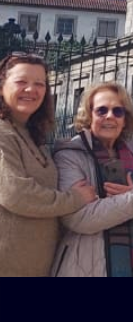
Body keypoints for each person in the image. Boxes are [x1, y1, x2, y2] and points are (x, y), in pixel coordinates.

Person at [52, 81, 133, 276]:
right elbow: (80, 219)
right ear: (89, 115)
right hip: (84, 268)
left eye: (117, 111)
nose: (110, 117)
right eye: (101, 110)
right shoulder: (70, 154)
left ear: (125, 118)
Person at [0, 52, 97, 276]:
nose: (31, 90)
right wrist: (75, 199)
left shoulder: (32, 134)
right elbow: (16, 194)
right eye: (21, 82)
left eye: (39, 84)